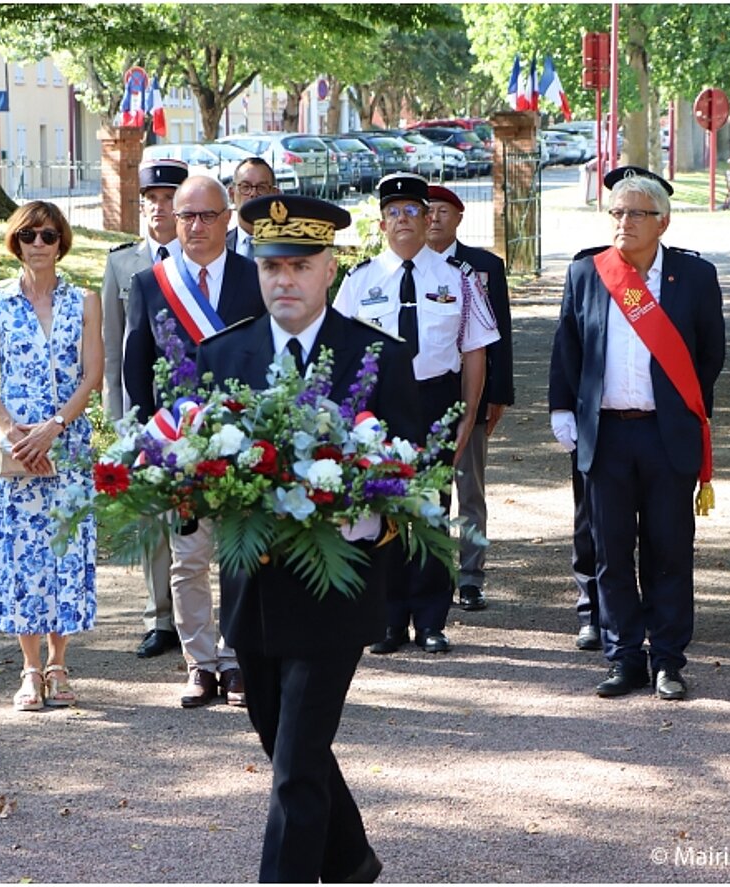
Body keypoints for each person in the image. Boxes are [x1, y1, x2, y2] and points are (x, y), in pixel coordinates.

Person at [197, 194, 421, 883]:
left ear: (330, 269)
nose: (283, 281)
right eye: (271, 267)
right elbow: (196, 463)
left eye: (298, 265)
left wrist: (369, 506)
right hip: (253, 591)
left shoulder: (376, 357)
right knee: (285, 741)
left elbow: (411, 471)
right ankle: (351, 858)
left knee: (295, 765)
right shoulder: (221, 353)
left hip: (335, 590)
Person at [549, 166, 726, 701]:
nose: (623, 222)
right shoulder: (588, 274)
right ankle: (624, 656)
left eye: (635, 213)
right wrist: (563, 409)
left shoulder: (694, 278)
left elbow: (709, 355)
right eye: (617, 212)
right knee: (611, 551)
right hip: (607, 437)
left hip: (665, 435)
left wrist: (684, 411)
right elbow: (568, 347)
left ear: (662, 222)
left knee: (669, 550)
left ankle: (668, 659)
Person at [333, 172, 499, 655]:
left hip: (434, 404)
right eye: (393, 212)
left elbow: (475, 352)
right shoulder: (360, 281)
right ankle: (386, 619)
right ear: (382, 222)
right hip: (378, 410)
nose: (403, 219)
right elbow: (341, 350)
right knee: (380, 511)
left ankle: (430, 618)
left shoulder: (458, 280)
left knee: (429, 512)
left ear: (429, 220)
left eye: (413, 211)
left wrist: (467, 419)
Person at [123, 175, 265, 708]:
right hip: (180, 448)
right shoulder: (150, 283)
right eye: (186, 216)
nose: (196, 226)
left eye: (207, 215)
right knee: (188, 559)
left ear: (229, 219)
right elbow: (136, 369)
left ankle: (236, 661)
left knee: (241, 556)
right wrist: (150, 442)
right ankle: (199, 665)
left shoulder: (256, 278)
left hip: (245, 443)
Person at [0, 201, 103, 711]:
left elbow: (92, 374)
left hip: (65, 444)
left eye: (49, 235)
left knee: (63, 555)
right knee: (23, 558)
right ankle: (29, 669)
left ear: (61, 241)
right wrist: (12, 431)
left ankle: (59, 663)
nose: (39, 244)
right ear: (16, 241)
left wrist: (54, 428)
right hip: (17, 450)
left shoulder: (84, 301)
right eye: (29, 235)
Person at [101, 157, 188, 660]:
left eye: (167, 200)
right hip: (145, 412)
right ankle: (160, 619)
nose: (158, 209)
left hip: (196, 408)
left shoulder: (203, 259)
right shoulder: (121, 263)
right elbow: (112, 346)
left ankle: (205, 613)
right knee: (154, 518)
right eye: (150, 200)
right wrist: (119, 414)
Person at [424, 184, 514, 613]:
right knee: (427, 492)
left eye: (444, 211)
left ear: (459, 218)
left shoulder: (482, 266)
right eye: (429, 211)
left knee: (470, 489)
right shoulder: (411, 270)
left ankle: (472, 577)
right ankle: (432, 575)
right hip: (425, 399)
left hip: (471, 397)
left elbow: (500, 338)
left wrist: (498, 396)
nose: (435, 218)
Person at [548, 339, 601, 652]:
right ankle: (592, 612)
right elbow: (568, 336)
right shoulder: (586, 284)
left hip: (660, 415)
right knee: (590, 519)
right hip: (594, 415)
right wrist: (561, 404)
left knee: (655, 523)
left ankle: (651, 611)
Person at [226, 157, 279, 260]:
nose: (253, 194)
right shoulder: (217, 246)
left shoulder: (288, 247)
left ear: (275, 194)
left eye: (261, 188)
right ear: (232, 194)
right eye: (245, 187)